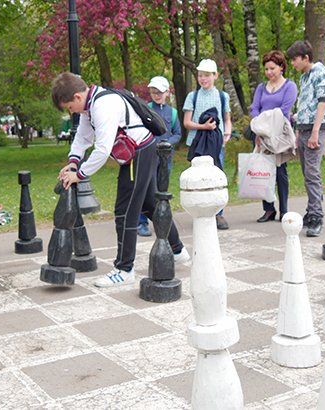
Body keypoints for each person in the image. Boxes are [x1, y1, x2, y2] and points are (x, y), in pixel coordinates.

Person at [51, 72, 190, 288]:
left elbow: (102, 149)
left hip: (138, 153)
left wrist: (79, 175)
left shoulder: (102, 106)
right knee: (149, 205)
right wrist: (73, 162)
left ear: (77, 97)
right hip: (140, 151)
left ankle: (124, 269)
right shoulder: (90, 104)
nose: (71, 111)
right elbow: (83, 138)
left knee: (125, 211)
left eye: (70, 107)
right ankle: (178, 250)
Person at [287, 40, 325, 237]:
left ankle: (317, 217)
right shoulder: (304, 77)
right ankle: (311, 210)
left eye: (295, 59)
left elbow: (323, 103)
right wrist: (299, 130)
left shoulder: (319, 73)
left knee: (313, 173)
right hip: (304, 128)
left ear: (306, 58)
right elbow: (305, 104)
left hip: (317, 129)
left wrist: (316, 132)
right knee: (307, 173)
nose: (292, 63)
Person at [183, 59, 232, 230]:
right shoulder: (193, 96)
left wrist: (227, 133)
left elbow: (226, 119)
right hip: (197, 142)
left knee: (217, 175)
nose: (203, 79)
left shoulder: (222, 96)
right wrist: (204, 127)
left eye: (207, 75)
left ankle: (218, 213)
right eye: (200, 75)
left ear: (215, 76)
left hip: (216, 143)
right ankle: (200, 210)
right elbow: (187, 122)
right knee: (198, 177)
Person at [249, 50, 298, 223]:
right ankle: (268, 209)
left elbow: (284, 111)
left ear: (281, 67)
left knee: (280, 172)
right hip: (261, 134)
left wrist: (267, 125)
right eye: (266, 69)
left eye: (272, 68)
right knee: (264, 172)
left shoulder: (290, 87)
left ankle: (284, 210)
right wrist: (259, 129)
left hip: (279, 135)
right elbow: (255, 108)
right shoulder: (262, 87)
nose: (269, 72)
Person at [137, 75, 181, 237]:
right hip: (148, 156)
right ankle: (141, 222)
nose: (156, 95)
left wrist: (167, 143)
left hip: (165, 159)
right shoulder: (146, 108)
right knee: (146, 189)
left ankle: (160, 220)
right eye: (153, 92)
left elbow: (177, 133)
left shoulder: (173, 113)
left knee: (161, 190)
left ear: (167, 93)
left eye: (159, 92)